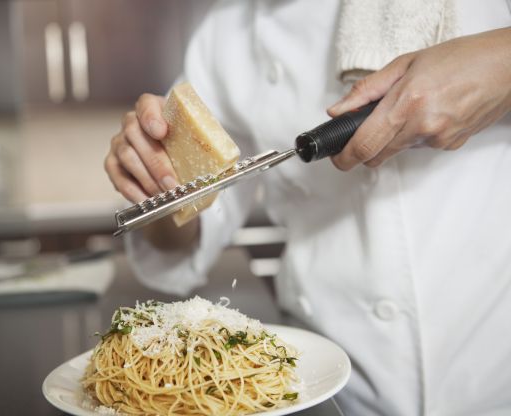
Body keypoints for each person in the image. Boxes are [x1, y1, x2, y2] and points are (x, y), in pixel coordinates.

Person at [104, 1, 511, 415]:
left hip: (494, 362)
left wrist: (503, 60)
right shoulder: (228, 33)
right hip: (329, 385)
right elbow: (180, 242)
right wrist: (156, 184)